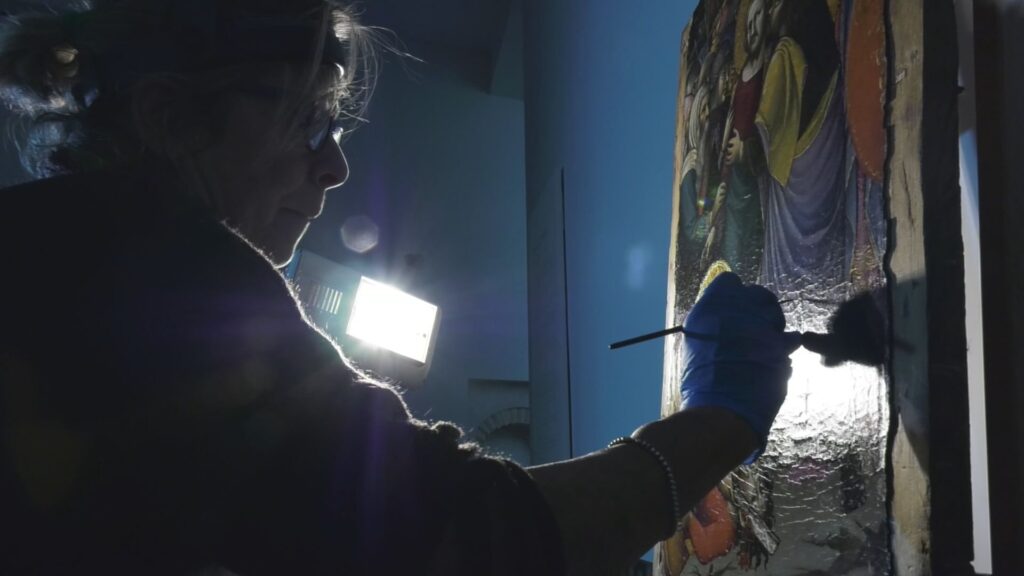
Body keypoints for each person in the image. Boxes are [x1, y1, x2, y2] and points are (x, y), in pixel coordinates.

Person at [0, 1, 800, 575]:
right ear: (169, 118)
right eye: (309, 122)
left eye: (334, 128)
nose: (334, 166)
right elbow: (482, 538)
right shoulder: (158, 275)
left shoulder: (66, 252)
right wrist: (724, 417)